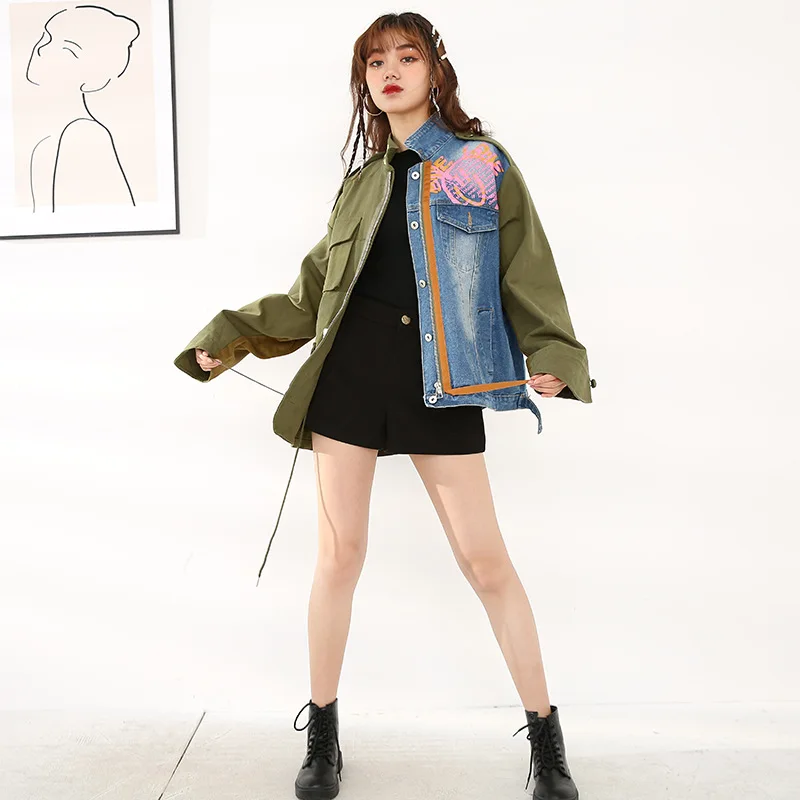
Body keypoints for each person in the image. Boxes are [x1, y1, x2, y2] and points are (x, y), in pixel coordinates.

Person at [176, 12, 596, 800]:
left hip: (442, 385)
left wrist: (554, 355)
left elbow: (528, 269)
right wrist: (229, 338)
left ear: (436, 70)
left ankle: (547, 741)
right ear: (363, 80)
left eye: (407, 56)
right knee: (339, 556)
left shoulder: (479, 164)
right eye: (375, 62)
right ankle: (324, 736)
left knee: (485, 562)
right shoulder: (361, 184)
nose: (391, 71)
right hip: (351, 379)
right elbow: (310, 296)